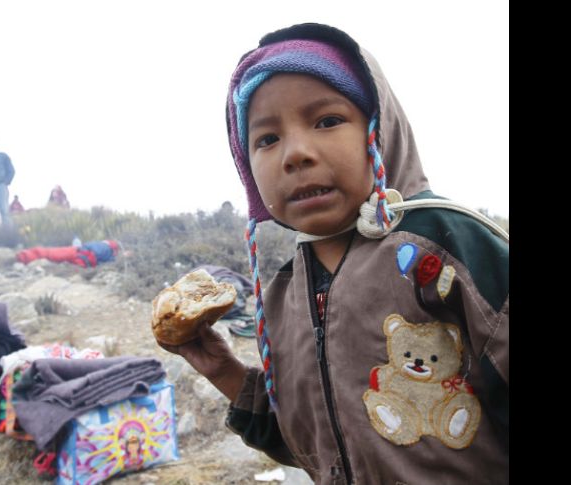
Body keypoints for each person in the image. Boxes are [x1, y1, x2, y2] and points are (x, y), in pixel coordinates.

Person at [157, 23, 508, 485]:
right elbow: (317, 443)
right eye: (267, 139)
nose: (296, 153)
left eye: (326, 121)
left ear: (379, 130)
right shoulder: (284, 294)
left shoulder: (447, 245)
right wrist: (226, 373)